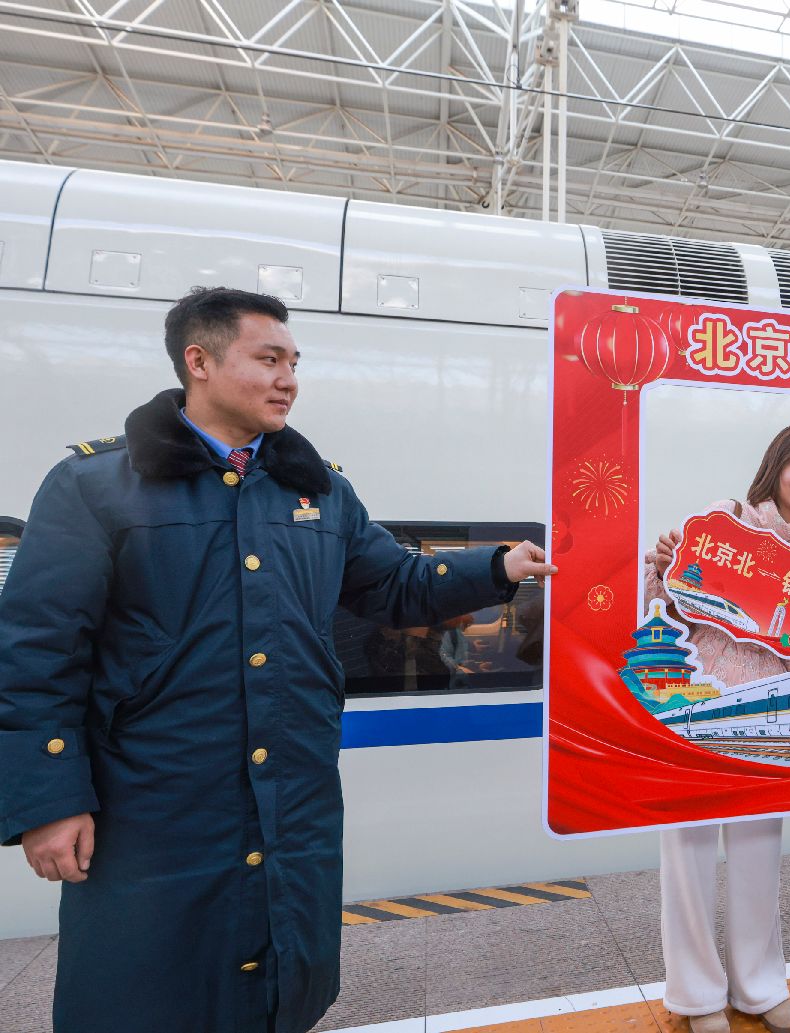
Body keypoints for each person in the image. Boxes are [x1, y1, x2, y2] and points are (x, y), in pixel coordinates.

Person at [0, 287, 556, 1033]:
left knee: (279, 984)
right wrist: (48, 799)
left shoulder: (319, 490)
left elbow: (396, 585)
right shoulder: (96, 486)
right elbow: (37, 649)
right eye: (268, 360)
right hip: (152, 806)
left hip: (293, 797)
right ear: (199, 362)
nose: (288, 379)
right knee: (144, 991)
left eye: (294, 362)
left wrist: (498, 566)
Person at [645, 424, 790, 1033]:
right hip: (694, 712)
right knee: (689, 854)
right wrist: (663, 567)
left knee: (759, 855)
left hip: (765, 721)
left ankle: (759, 987)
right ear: (775, 467)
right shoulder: (724, 521)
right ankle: (697, 996)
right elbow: (665, 608)